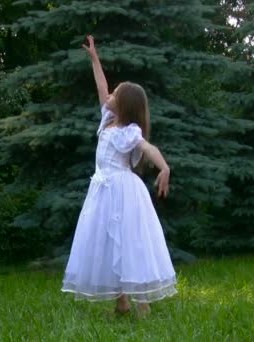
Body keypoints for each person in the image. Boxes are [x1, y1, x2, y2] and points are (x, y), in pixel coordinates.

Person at [61, 35, 177, 317]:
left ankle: (142, 302)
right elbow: (101, 86)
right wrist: (94, 58)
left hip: (123, 191)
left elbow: (148, 148)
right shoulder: (107, 119)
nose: (108, 95)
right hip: (102, 190)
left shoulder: (129, 132)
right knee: (109, 241)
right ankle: (122, 301)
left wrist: (164, 168)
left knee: (129, 242)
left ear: (124, 106)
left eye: (115, 95)